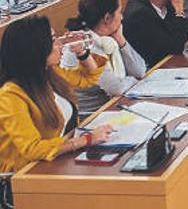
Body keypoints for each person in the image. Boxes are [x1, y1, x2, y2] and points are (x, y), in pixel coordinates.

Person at [0, 16, 114, 173]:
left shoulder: (49, 74)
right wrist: (86, 140)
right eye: (53, 40)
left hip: (56, 160)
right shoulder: (9, 95)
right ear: (37, 49)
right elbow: (32, 149)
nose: (60, 45)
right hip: (23, 175)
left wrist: (82, 53)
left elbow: (88, 77)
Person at [62, 0, 146, 114]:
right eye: (119, 12)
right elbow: (117, 88)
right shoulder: (84, 46)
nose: (122, 17)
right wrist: (133, 80)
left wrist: (121, 40)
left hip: (114, 106)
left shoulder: (108, 39)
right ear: (107, 18)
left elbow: (140, 71)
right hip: (91, 117)